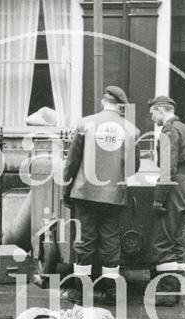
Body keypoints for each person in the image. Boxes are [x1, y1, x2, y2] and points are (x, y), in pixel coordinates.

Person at [63, 85, 139, 303]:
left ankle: (81, 293)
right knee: (111, 242)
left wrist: (68, 182)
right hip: (114, 195)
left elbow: (72, 160)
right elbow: (133, 167)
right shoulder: (131, 130)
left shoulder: (85, 124)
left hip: (85, 192)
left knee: (85, 241)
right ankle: (112, 292)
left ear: (102, 101)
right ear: (120, 106)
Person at [147, 96, 185, 305]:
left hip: (173, 186)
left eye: (153, 112)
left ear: (161, 110)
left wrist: (159, 199)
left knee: (162, 241)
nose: (151, 117)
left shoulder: (169, 131)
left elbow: (167, 169)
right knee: (176, 239)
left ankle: (166, 294)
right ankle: (175, 290)